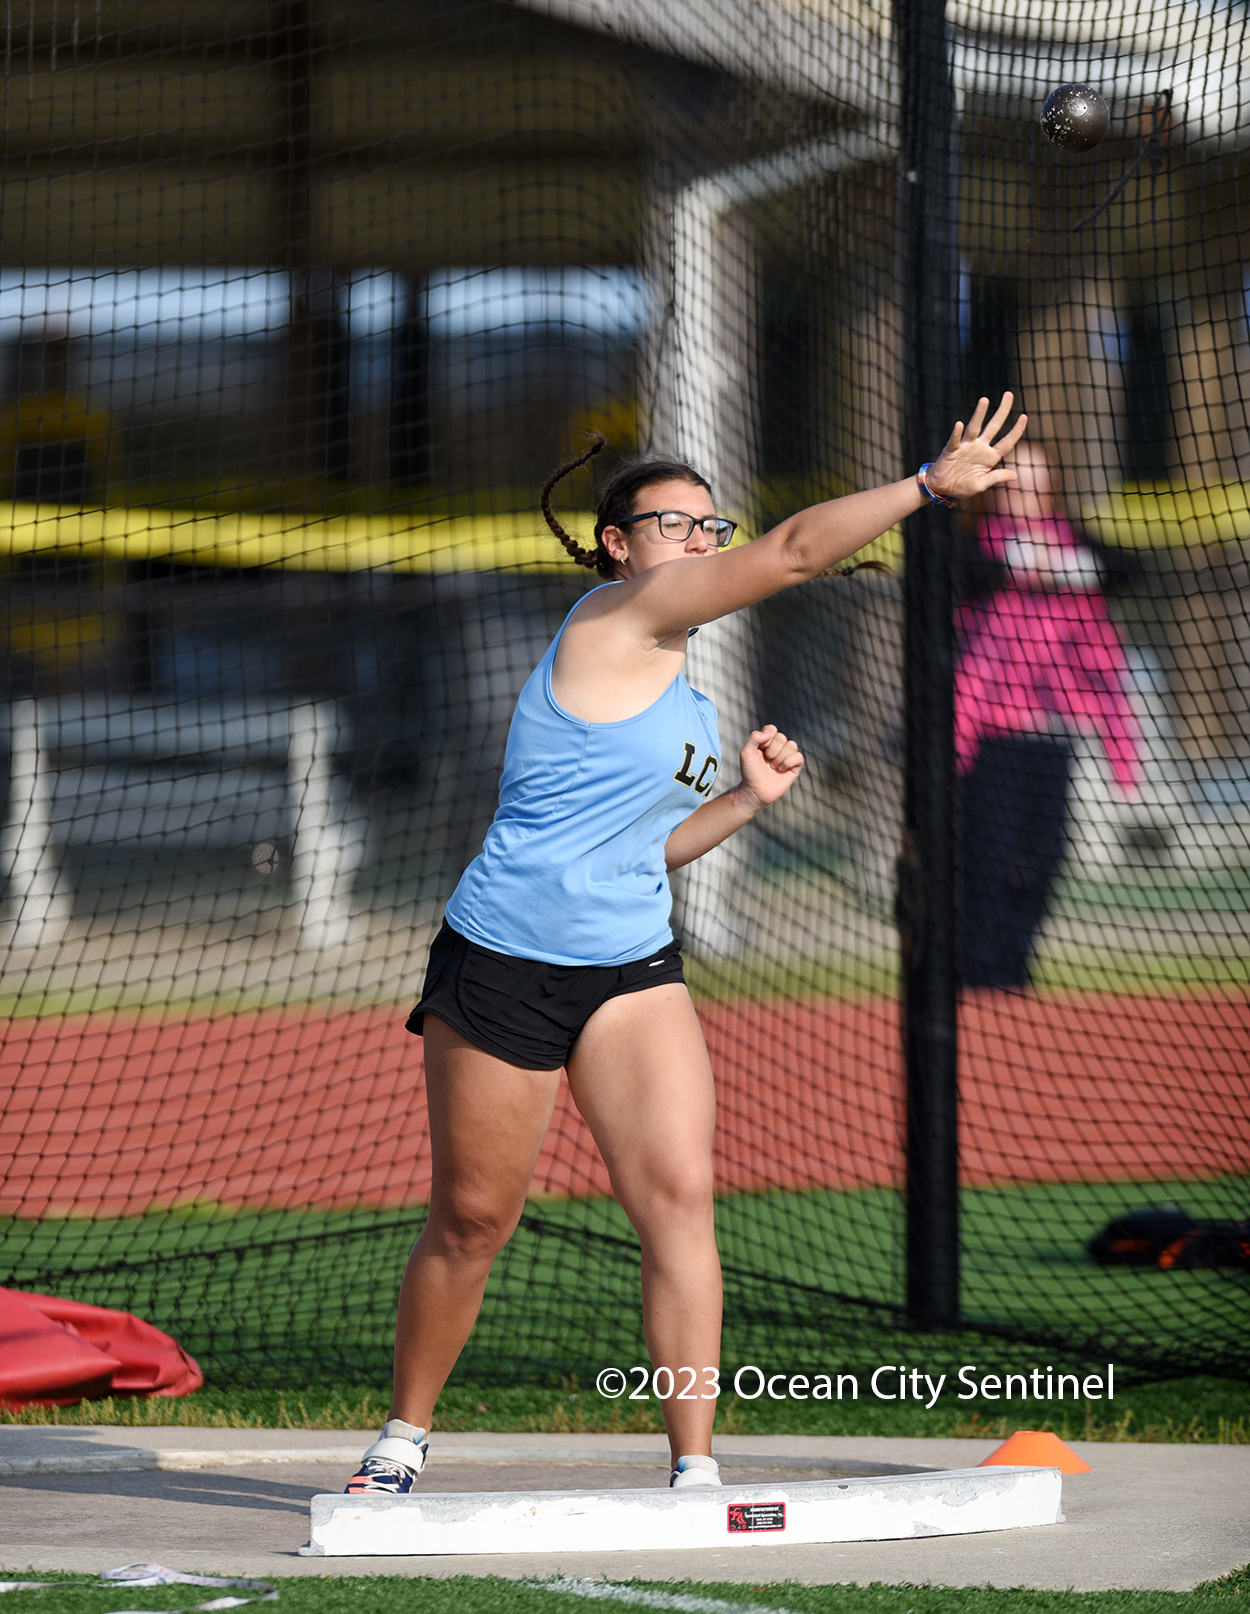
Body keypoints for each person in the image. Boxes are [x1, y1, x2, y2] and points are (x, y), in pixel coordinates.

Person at [344, 394, 1027, 1496]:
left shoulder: (689, 699)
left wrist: (746, 801)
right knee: (473, 1219)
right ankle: (402, 1437)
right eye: (676, 524)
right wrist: (922, 488)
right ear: (619, 546)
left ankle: (693, 1468)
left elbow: (645, 849)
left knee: (676, 1196)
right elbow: (800, 551)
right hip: (507, 957)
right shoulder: (615, 619)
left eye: (710, 526)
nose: (700, 542)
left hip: (630, 965)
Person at [955, 439, 1143, 990]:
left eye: (1037, 479)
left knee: (1043, 858)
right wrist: (1019, 562)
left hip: (1052, 733)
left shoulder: (1073, 537)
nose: (1026, 491)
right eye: (1016, 479)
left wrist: (1062, 563)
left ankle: (1013, 972)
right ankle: (979, 973)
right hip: (989, 734)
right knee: (988, 856)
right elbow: (968, 572)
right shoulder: (977, 544)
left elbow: (1128, 568)